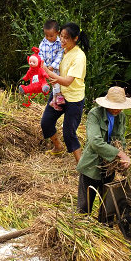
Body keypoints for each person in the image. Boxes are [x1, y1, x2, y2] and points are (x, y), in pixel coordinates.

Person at [76, 86, 131, 217]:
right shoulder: (95, 114)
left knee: (107, 207)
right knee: (84, 208)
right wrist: (119, 154)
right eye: (115, 105)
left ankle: (104, 228)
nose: (118, 109)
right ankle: (81, 231)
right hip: (91, 166)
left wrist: (123, 159)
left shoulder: (121, 117)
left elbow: (120, 139)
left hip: (109, 166)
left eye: (120, 106)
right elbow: (95, 142)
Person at [41, 22, 89, 161]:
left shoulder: (79, 57)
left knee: (69, 132)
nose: (62, 40)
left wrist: (47, 72)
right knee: (46, 122)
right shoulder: (60, 49)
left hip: (73, 99)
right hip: (59, 94)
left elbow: (68, 81)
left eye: (66, 37)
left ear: (75, 38)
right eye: (61, 36)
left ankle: (80, 164)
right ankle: (57, 147)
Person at [38, 19, 65, 111]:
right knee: (53, 83)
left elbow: (60, 55)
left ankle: (56, 98)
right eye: (46, 35)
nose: (48, 38)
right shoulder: (43, 43)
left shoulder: (59, 43)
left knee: (56, 81)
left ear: (57, 33)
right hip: (46, 67)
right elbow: (40, 54)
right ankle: (56, 98)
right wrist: (44, 66)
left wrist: (53, 66)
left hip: (55, 67)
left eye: (51, 36)